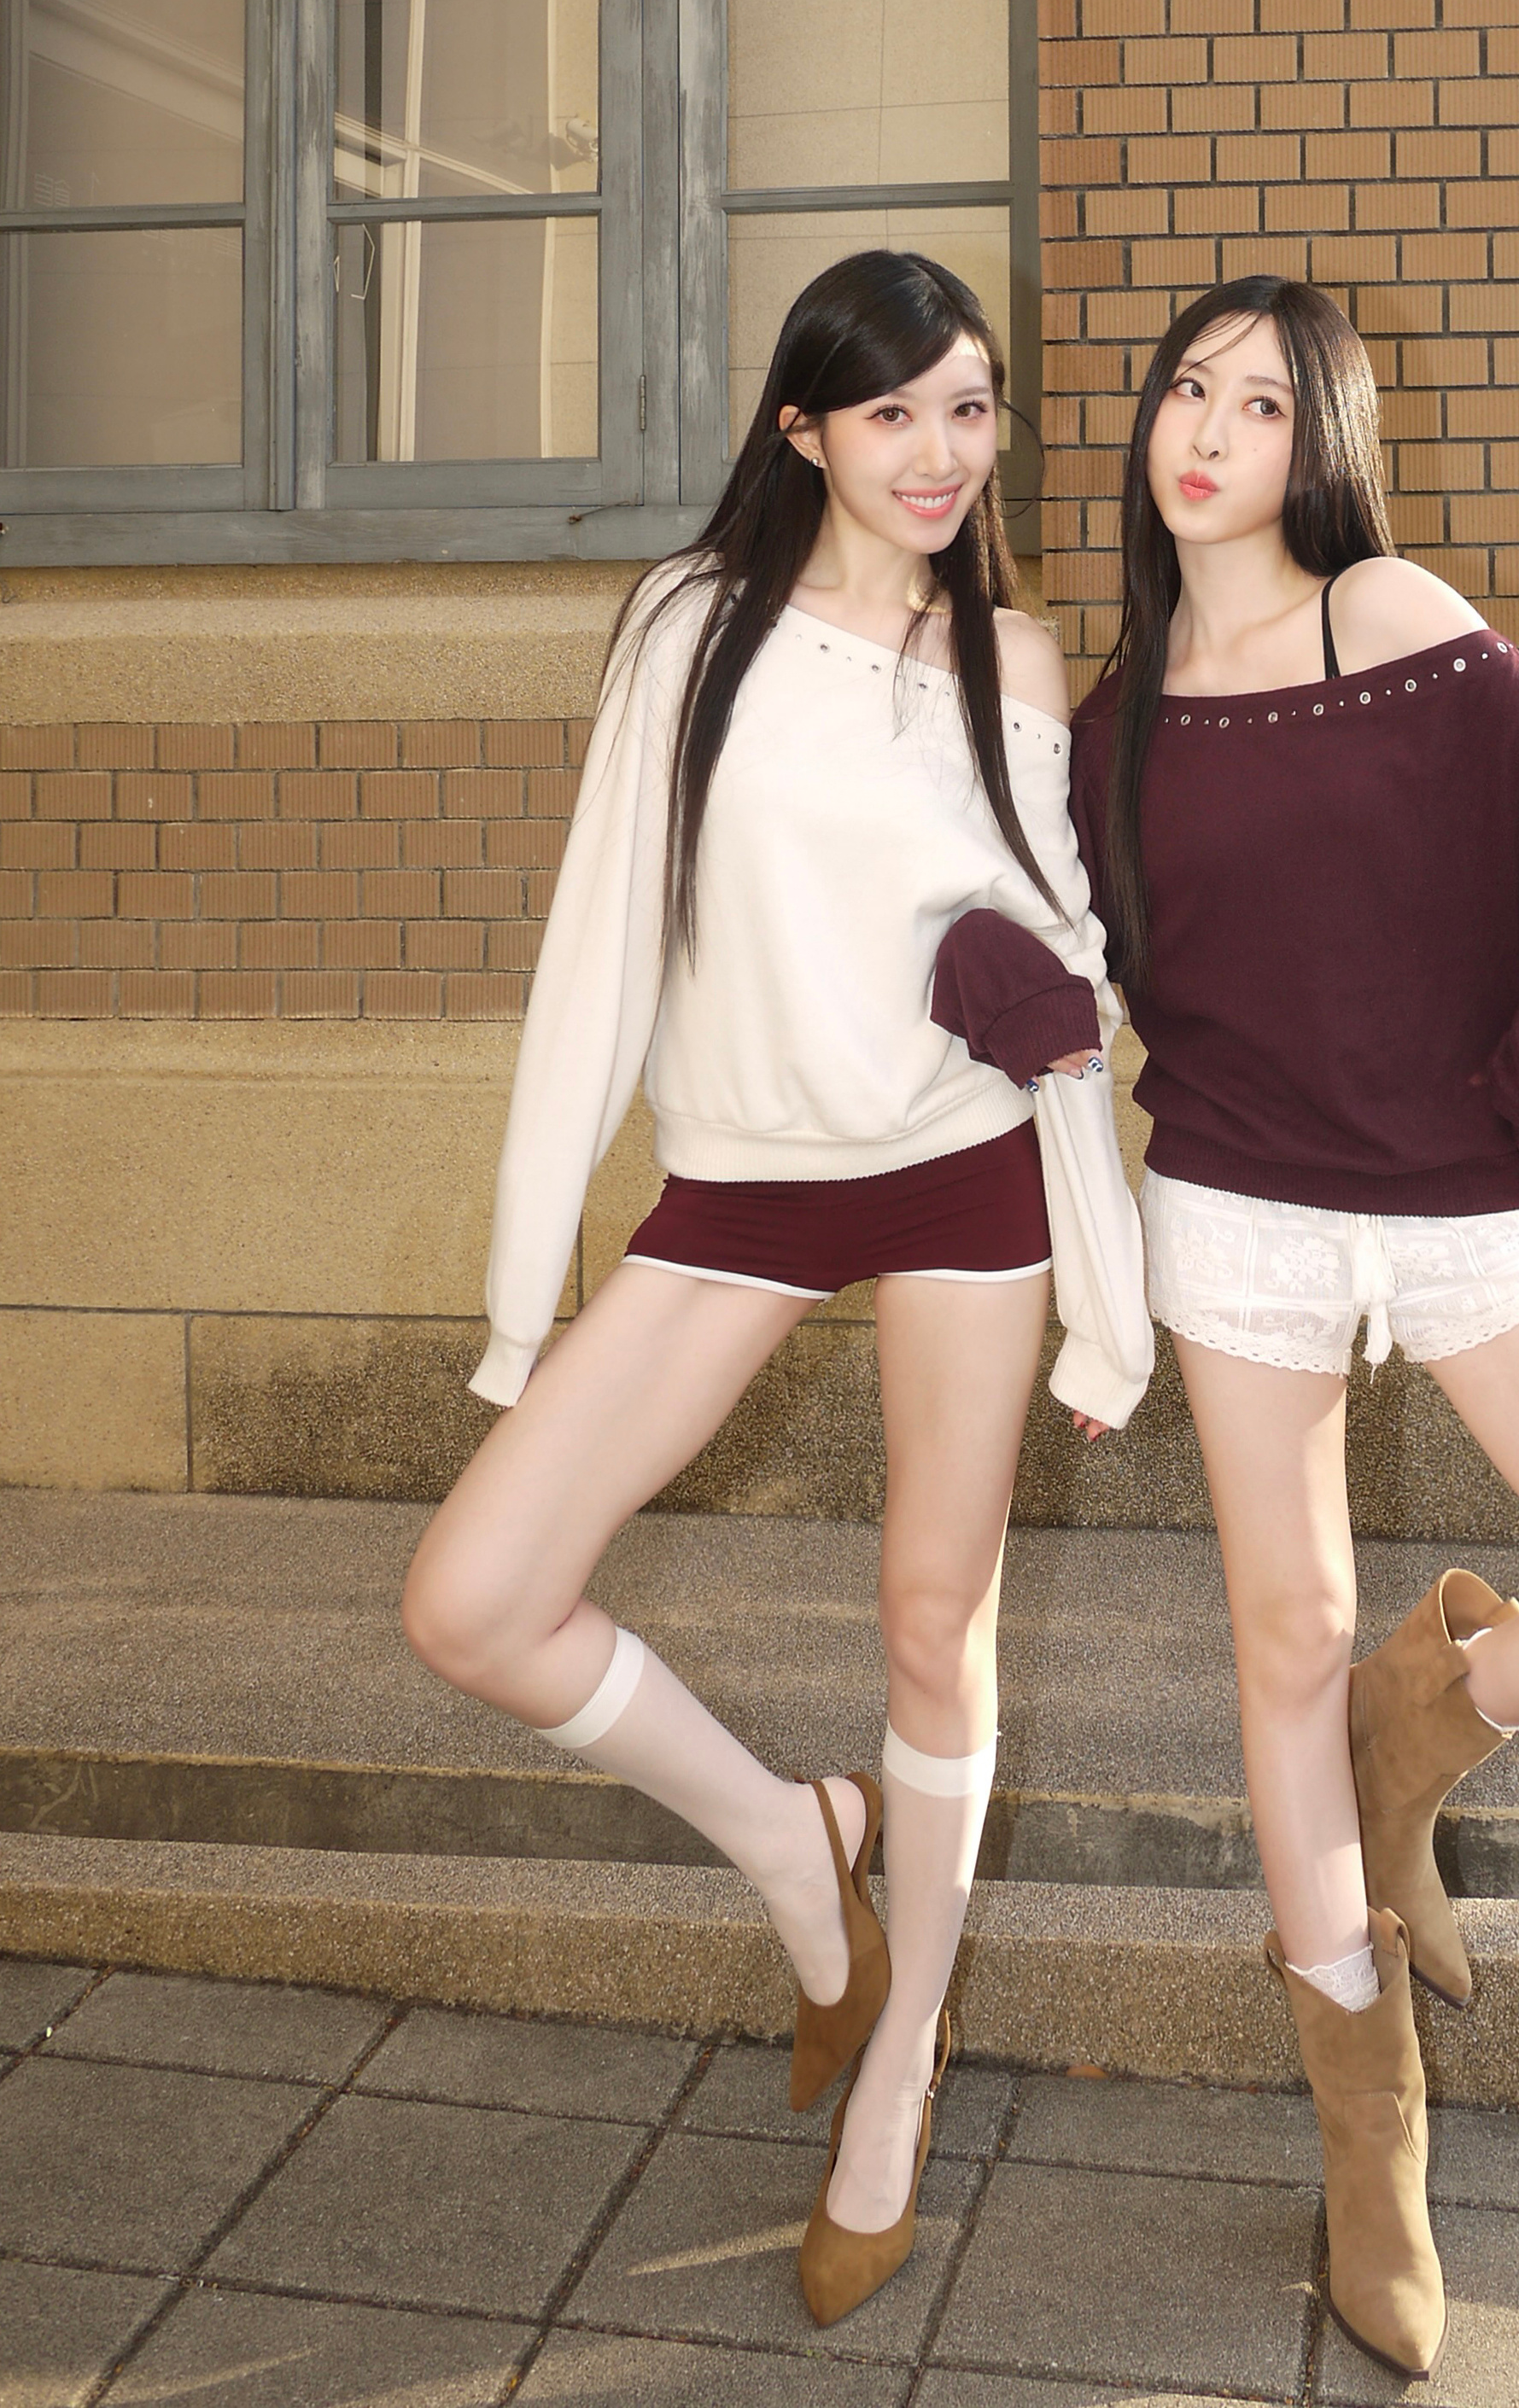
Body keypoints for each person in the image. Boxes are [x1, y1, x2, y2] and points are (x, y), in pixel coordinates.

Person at [402, 250, 1148, 2329]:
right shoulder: (689, 625)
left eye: (969, 407)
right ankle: (790, 1841)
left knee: (931, 1623)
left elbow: (1069, 946)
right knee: (473, 1602)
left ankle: (900, 2060)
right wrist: (528, 1278)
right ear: (805, 429)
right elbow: (598, 944)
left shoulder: (1017, 656)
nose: (939, 450)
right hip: (740, 1180)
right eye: (893, 410)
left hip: (963, 1169)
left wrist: (1053, 1013)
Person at [1068, 275, 1519, 2378]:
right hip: (1235, 1219)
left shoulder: (1379, 616)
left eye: (1264, 405)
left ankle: (1414, 1725)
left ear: (1322, 446)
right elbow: (1073, 980)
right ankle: (1366, 2126)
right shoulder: (1113, 718)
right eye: (1189, 389)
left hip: (1460, 1208)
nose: (1209, 432)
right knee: (1278, 1630)